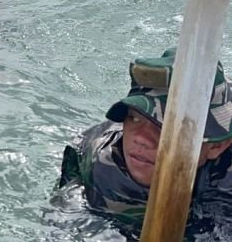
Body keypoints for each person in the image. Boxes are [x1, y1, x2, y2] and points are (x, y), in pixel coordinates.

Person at [56, 48, 232, 232]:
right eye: (135, 118)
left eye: (165, 127)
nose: (141, 138)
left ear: (216, 146)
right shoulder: (99, 165)